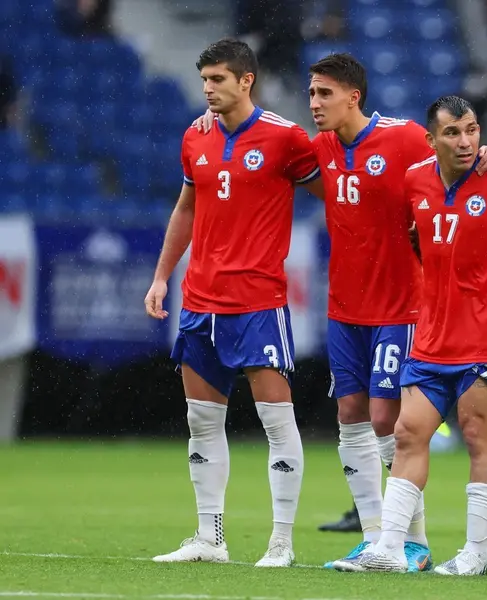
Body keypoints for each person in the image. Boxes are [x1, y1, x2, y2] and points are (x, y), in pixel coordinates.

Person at [332, 95, 487, 575]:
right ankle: (391, 548)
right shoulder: (415, 180)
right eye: (453, 133)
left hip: (486, 338)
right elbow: (409, 237)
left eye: (473, 130)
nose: (466, 142)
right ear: (431, 139)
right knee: (406, 433)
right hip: (430, 337)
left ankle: (476, 554)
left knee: (479, 438)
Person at [305, 53, 487, 570]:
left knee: (385, 419)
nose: (313, 104)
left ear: (353, 96)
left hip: (400, 304)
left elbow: (455, 154)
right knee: (350, 414)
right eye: (310, 94)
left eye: (323, 94)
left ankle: (409, 540)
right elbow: (261, 146)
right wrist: (216, 120)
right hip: (343, 307)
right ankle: (378, 538)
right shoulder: (320, 147)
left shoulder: (400, 138)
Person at [144, 38, 322, 568]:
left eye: (218, 80)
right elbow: (185, 210)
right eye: (204, 81)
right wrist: (161, 278)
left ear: (246, 80)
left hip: (257, 302)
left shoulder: (286, 138)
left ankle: (281, 543)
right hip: (200, 300)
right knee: (202, 421)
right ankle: (210, 537)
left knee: (276, 421)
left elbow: (338, 192)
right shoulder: (194, 138)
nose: (207, 90)